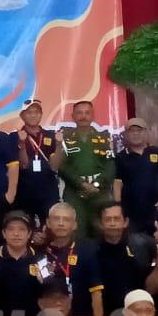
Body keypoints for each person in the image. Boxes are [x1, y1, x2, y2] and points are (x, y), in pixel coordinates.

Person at [57, 101, 115, 238]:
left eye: (87, 113)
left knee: (101, 232)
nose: (83, 116)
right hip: (74, 193)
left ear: (93, 115)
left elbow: (110, 165)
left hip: (100, 192)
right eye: (79, 113)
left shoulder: (104, 138)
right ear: (73, 116)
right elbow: (62, 166)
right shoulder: (65, 138)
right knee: (75, 232)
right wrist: (81, 184)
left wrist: (96, 184)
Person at [92, 203, 158, 316]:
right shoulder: (91, 251)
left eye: (116, 219)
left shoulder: (143, 247)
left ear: (125, 222)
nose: (112, 223)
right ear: (101, 224)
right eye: (108, 219)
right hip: (103, 315)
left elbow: (151, 289)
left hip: (137, 315)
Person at [40, 203, 103, 316]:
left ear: (74, 225)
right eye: (56, 219)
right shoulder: (40, 252)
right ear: (48, 223)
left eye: (66, 219)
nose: (61, 223)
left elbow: (96, 290)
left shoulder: (87, 250)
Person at [113, 118, 158, 236]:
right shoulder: (121, 157)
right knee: (133, 243)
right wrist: (117, 205)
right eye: (132, 131)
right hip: (130, 210)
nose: (136, 134)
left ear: (146, 132)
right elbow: (117, 183)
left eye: (139, 130)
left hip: (155, 208)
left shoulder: (157, 152)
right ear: (126, 134)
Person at [12, 100, 61, 232]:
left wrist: (59, 145)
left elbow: (54, 167)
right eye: (29, 112)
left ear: (41, 114)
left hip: (48, 190)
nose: (33, 115)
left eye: (36, 112)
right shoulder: (14, 137)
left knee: (50, 228)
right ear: (22, 115)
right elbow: (23, 165)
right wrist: (22, 144)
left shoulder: (51, 135)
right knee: (25, 228)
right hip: (24, 190)